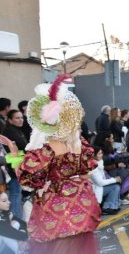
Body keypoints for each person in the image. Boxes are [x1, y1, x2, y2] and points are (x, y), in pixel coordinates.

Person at [17, 74, 102, 242]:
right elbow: (87, 174)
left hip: (56, 208)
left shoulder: (46, 150)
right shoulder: (80, 143)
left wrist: (15, 159)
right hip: (83, 201)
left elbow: (27, 180)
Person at [2, 109, 28, 218]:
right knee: (15, 194)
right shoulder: (10, 131)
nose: (21, 120)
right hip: (12, 166)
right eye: (17, 118)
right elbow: (24, 146)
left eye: (22, 117)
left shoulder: (16, 130)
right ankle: (15, 219)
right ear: (10, 120)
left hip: (16, 164)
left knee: (16, 193)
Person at [89, 148, 122, 215]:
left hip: (98, 187)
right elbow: (100, 182)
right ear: (94, 155)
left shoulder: (100, 163)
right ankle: (107, 208)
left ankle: (111, 206)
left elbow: (103, 178)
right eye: (99, 153)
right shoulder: (93, 166)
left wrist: (114, 180)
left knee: (116, 185)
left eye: (101, 153)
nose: (101, 155)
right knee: (115, 187)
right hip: (94, 189)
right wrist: (114, 180)